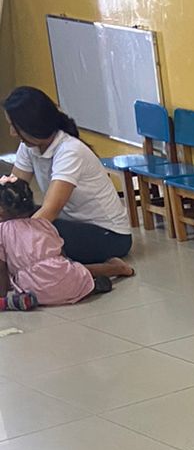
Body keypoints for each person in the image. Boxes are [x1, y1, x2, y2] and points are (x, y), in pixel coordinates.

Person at [2, 87, 135, 279]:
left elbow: (50, 210)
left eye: (15, 127)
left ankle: (109, 269)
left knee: (33, 234)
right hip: (71, 225)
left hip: (111, 237)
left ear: (32, 125)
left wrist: (14, 239)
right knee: (15, 216)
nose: (12, 133)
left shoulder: (70, 151)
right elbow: (11, 194)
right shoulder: (29, 147)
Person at [0, 177, 109, 310]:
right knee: (76, 272)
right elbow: (61, 253)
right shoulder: (43, 223)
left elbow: (1, 269)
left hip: (34, 290)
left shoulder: (2, 230)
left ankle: (19, 301)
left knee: (24, 285)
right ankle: (90, 287)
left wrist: (2, 296)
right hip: (64, 277)